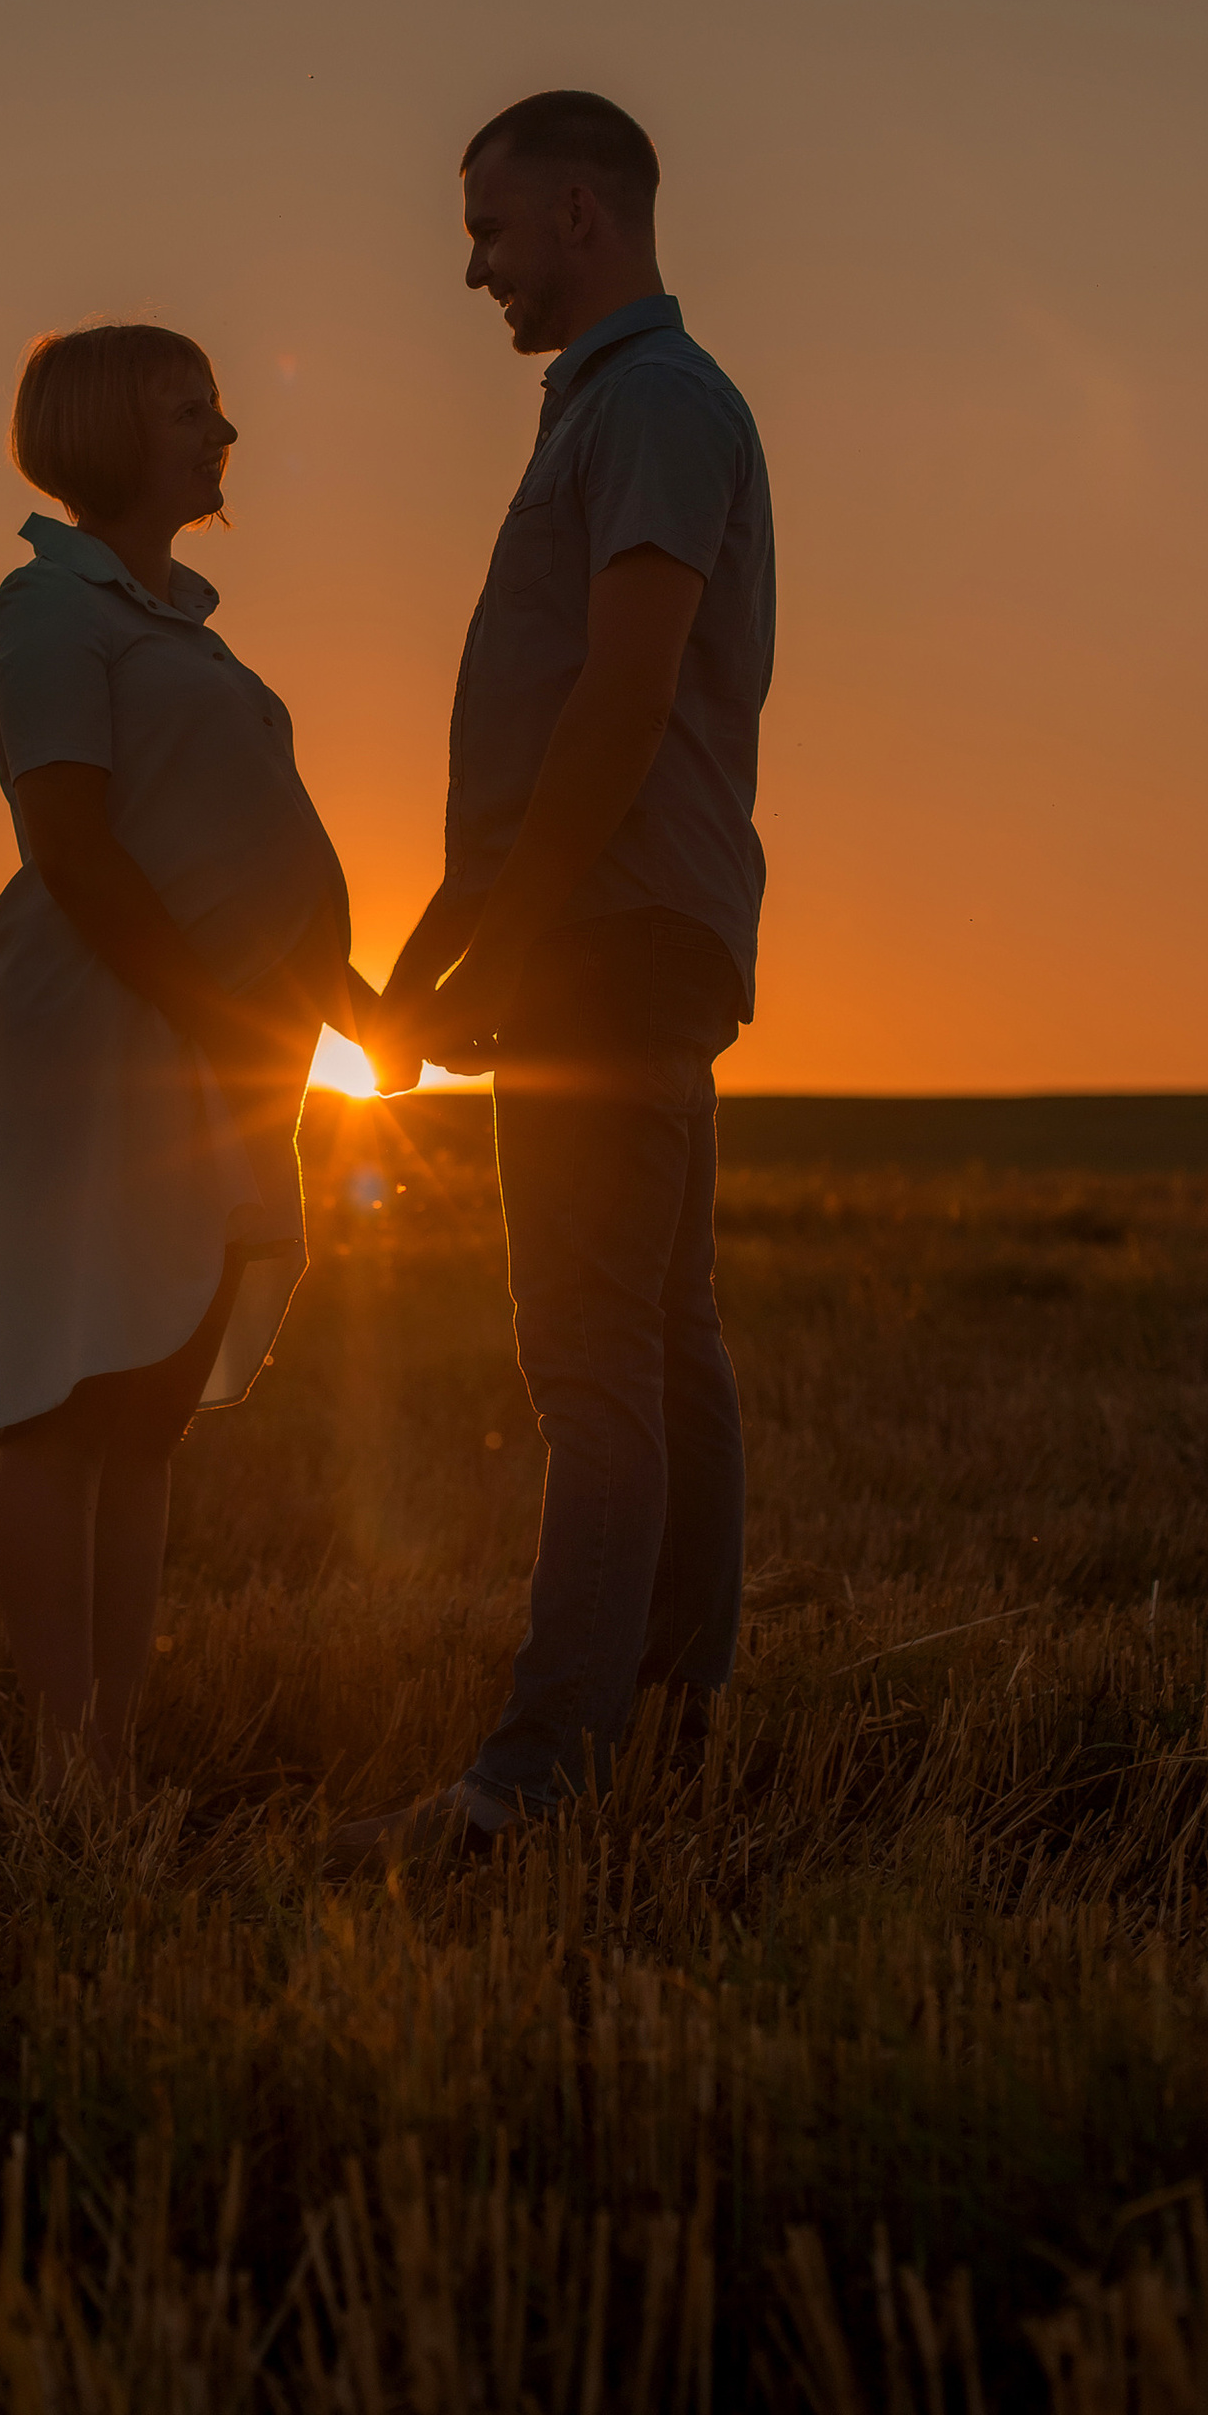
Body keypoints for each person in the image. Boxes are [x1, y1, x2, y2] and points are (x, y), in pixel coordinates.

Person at [338, 92, 774, 1865]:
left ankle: (535, 1783)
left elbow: (623, 693)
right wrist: (438, 952)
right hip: (605, 923)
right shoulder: (615, 410)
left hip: (609, 935)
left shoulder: (657, 404)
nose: (473, 268)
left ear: (582, 211)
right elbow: (546, 735)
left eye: (491, 232)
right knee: (660, 1346)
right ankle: (663, 1739)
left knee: (593, 1359)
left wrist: (506, 947)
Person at [0, 321, 373, 1776]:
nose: (223, 433)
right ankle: (64, 1757)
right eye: (186, 409)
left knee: (146, 1409)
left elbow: (254, 845)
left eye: (216, 404)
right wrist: (214, 1008)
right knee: (64, 1392)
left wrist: (349, 1006)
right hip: (102, 1041)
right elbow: (70, 847)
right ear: (101, 435)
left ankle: (115, 1745)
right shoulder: (47, 612)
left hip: (218, 1043)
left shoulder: (180, 627)